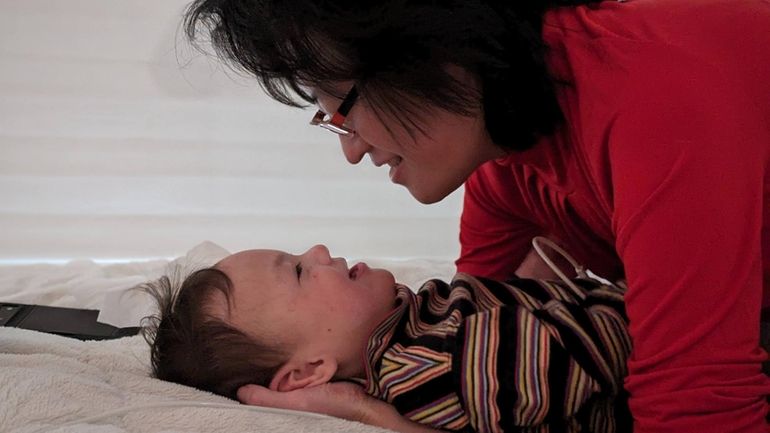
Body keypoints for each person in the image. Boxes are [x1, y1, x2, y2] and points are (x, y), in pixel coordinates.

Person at [181, 0, 770, 431]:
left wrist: (368, 416)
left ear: (425, 53)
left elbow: (699, 411)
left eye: (342, 111)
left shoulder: (654, 98)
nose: (351, 148)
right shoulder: (503, 168)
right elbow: (482, 329)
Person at [143, 243, 632, 432]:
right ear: (311, 371)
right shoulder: (428, 371)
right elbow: (611, 347)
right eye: (298, 272)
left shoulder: (409, 322)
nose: (318, 250)